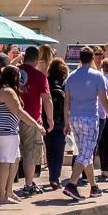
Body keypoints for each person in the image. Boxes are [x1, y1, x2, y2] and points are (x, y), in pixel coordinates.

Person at [63, 47, 108, 202]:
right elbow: (104, 100)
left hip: (75, 118)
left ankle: (94, 186)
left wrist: (67, 121)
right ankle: (71, 184)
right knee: (86, 153)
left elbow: (67, 102)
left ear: (80, 58)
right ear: (92, 58)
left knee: (84, 153)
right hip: (90, 118)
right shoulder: (97, 76)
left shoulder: (71, 77)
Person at [0, 65, 44, 206]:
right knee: (5, 162)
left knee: (16, 159)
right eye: (19, 77)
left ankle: (9, 192)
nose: (20, 81)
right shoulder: (8, 91)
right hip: (7, 132)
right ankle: (2, 196)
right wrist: (36, 125)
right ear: (14, 77)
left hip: (0, 131)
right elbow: (19, 112)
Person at [16, 46, 53, 196]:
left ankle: (6, 188)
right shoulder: (39, 76)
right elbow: (47, 99)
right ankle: (28, 184)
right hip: (32, 120)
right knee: (30, 153)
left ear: (24, 58)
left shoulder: (14, 72)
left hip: (12, 119)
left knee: (12, 155)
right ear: (37, 60)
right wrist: (50, 119)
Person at [44, 58, 69, 190]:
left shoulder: (46, 81)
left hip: (47, 120)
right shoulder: (65, 83)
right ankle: (55, 178)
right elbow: (68, 103)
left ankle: (51, 175)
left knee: (49, 149)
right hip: (61, 120)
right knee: (59, 150)